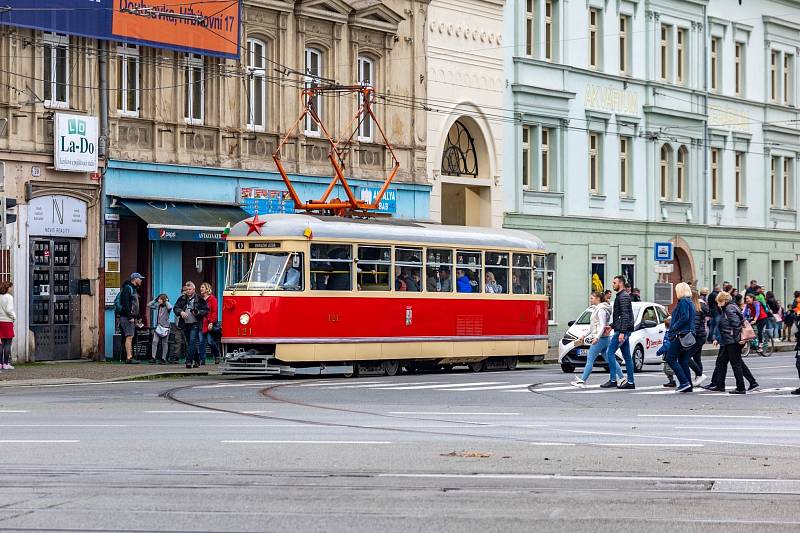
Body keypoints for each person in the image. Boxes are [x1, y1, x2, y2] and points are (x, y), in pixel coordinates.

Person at [705, 291, 755, 394]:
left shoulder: (729, 308)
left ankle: (740, 387)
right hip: (729, 340)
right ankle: (720, 385)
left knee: (735, 364)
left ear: (724, 300)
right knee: (722, 362)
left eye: (719, 302)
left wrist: (738, 339)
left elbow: (735, 324)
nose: (718, 305)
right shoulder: (731, 307)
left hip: (732, 341)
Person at [571, 292, 614, 387]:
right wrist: (584, 335)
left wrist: (596, 338)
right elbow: (593, 327)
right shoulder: (597, 309)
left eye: (592, 298)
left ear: (598, 298)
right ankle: (621, 377)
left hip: (600, 339)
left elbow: (602, 326)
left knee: (590, 359)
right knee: (610, 360)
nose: (590, 300)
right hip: (604, 338)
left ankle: (582, 380)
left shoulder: (601, 310)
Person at [603, 275, 636, 389]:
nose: (612, 285)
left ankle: (614, 379)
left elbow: (625, 316)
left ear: (620, 283)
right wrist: (612, 326)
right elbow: (620, 317)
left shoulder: (623, 297)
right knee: (627, 357)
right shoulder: (621, 296)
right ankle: (630, 382)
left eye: (614, 283)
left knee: (609, 353)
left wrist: (622, 332)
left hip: (622, 331)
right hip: (622, 329)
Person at [664, 282, 696, 393]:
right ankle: (688, 384)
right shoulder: (690, 302)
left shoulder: (683, 302)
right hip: (689, 334)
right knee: (683, 360)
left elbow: (684, 318)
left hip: (681, 334)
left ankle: (684, 382)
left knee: (670, 358)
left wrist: (673, 327)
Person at [174, 281, 208, 368]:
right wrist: (180, 312)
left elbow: (206, 310)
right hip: (185, 324)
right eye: (187, 289)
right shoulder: (181, 299)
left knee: (193, 341)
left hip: (195, 323)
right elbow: (176, 308)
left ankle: (188, 361)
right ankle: (197, 360)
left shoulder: (199, 299)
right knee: (189, 343)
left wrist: (198, 312)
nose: (188, 291)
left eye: (190, 289)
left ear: (193, 289)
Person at [118, 272, 145, 364]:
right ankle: (129, 357)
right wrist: (129, 316)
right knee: (129, 336)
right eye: (140, 279)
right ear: (135, 279)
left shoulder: (133, 289)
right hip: (127, 317)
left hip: (131, 317)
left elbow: (134, 305)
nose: (141, 280)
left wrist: (138, 316)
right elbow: (126, 303)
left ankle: (130, 357)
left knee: (130, 336)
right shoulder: (128, 288)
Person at [687, 289, 709, 387]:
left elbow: (695, 324)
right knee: (697, 358)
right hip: (701, 335)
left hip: (696, 336)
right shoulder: (701, 306)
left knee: (686, 357)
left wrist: (690, 335)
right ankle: (698, 377)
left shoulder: (695, 308)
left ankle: (699, 374)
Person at [199, 282, 221, 365]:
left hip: (208, 323)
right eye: (201, 287)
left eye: (202, 287)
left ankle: (216, 355)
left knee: (210, 341)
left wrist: (211, 322)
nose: (201, 289)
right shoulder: (200, 300)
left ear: (207, 289)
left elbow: (214, 312)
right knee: (201, 342)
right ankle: (202, 359)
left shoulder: (212, 299)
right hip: (201, 323)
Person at [147, 294, 172, 365]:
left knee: (164, 343)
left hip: (166, 327)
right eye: (159, 299)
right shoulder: (158, 306)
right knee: (154, 341)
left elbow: (170, 307)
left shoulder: (167, 307)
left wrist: (166, 301)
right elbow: (149, 305)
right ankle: (153, 357)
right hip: (158, 327)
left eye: (160, 299)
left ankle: (163, 358)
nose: (159, 300)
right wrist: (155, 300)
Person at [0, 281, 15, 371]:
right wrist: (14, 316)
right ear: (7, 288)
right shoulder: (9, 297)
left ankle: (0, 364)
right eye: (10, 287)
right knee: (7, 344)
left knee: (0, 343)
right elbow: (9, 310)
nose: (11, 289)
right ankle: (5, 364)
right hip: (7, 322)